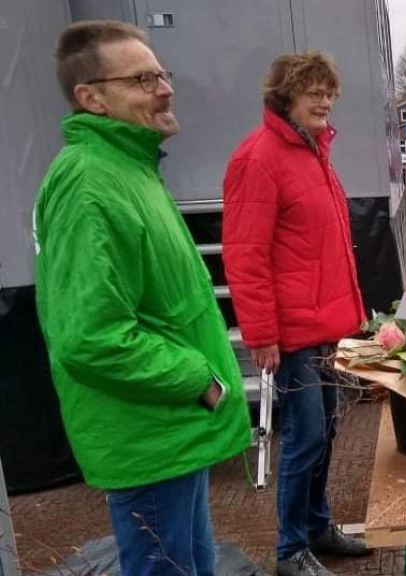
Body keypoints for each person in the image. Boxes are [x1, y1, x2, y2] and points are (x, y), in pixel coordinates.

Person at [33, 20, 252, 576]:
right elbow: (89, 337)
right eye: (142, 78)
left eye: (162, 73)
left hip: (171, 432)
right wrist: (200, 380)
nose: (165, 88)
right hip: (151, 437)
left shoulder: (128, 169)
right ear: (92, 98)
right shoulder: (88, 186)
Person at [222, 51, 371, 576]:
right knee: (304, 439)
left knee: (326, 433)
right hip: (292, 335)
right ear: (285, 96)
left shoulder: (313, 152)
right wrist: (262, 334)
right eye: (312, 90)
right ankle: (289, 551)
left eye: (329, 90)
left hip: (324, 330)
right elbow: (245, 253)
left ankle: (316, 527)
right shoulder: (259, 157)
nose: (324, 99)